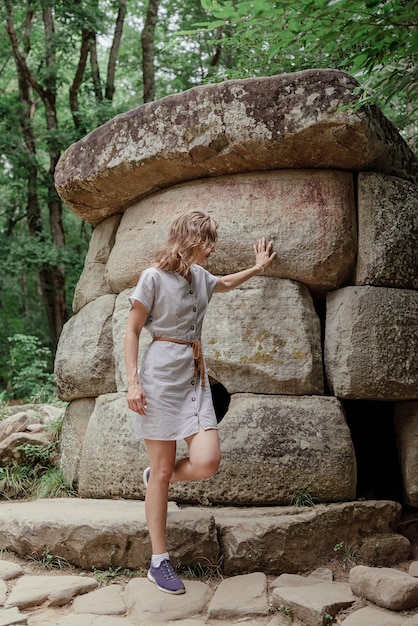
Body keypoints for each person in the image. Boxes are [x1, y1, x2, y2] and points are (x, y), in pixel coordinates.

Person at [124, 211, 276, 594]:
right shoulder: (153, 278)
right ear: (190, 238)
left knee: (207, 460)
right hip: (160, 376)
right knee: (162, 472)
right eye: (207, 240)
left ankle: (157, 477)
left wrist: (257, 269)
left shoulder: (199, 277)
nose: (212, 248)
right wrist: (133, 383)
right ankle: (159, 562)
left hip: (194, 377)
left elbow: (223, 282)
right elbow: (132, 330)